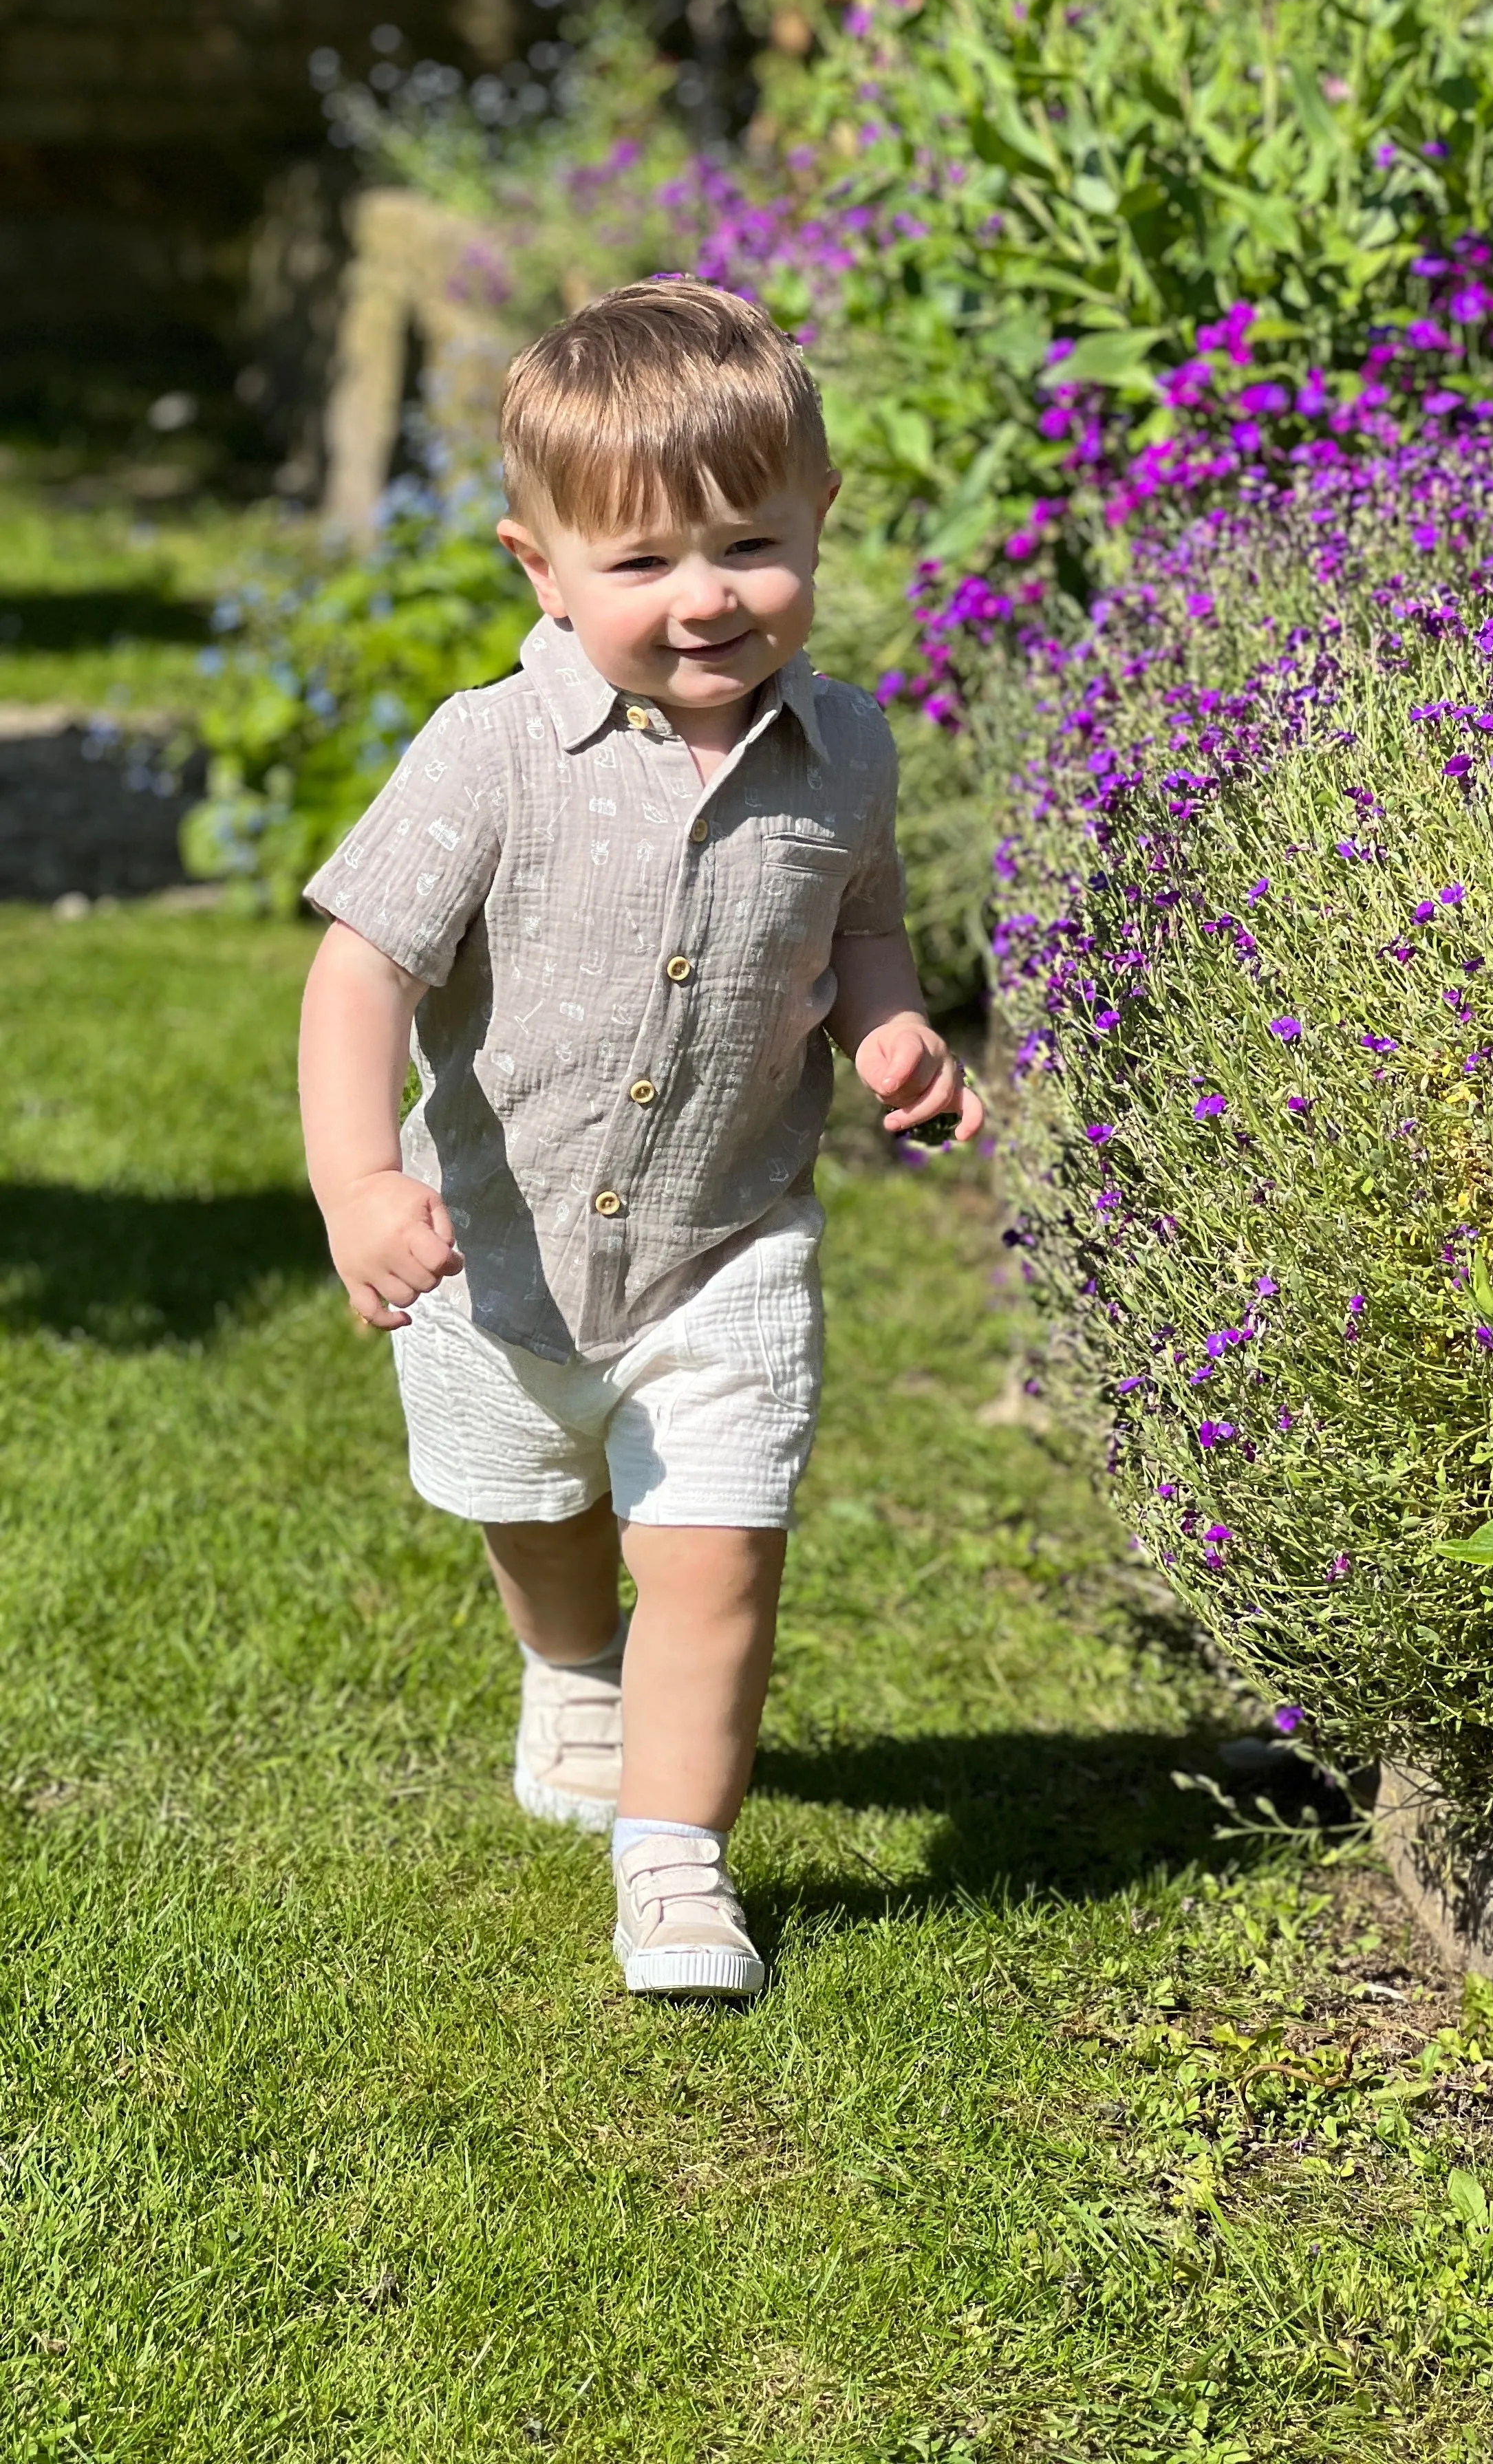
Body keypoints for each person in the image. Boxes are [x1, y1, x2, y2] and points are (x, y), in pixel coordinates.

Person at [296, 280, 982, 1998]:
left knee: (722, 1550)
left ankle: (675, 1865)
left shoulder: (848, 756)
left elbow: (863, 928)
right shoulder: (492, 753)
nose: (704, 599)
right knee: (527, 1507)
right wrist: (360, 1183)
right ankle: (566, 1660)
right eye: (642, 565)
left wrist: (892, 1032)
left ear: (818, 521)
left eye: (748, 546)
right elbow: (359, 969)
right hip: (495, 1248)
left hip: (727, 1245)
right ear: (541, 567)